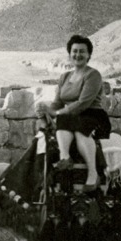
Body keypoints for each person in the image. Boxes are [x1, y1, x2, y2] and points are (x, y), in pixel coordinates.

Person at [37, 34, 111, 192]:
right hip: (69, 117)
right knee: (64, 119)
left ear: (89, 54)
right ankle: (65, 157)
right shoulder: (64, 77)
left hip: (92, 115)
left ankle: (93, 174)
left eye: (82, 51)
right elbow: (57, 102)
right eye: (74, 51)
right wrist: (47, 109)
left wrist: (57, 113)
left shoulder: (93, 75)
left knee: (78, 129)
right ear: (69, 54)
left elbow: (83, 103)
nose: (78, 55)